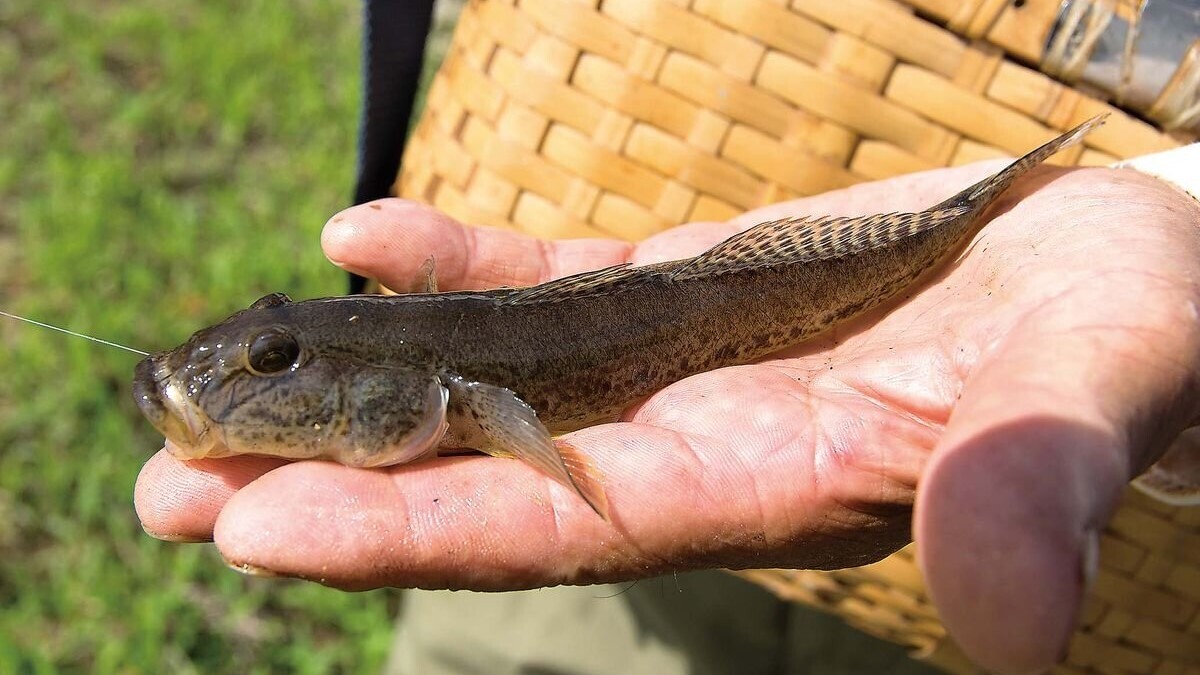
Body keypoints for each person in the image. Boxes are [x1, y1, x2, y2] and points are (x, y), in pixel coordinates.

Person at [134, 150, 1200, 674]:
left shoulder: (454, 390)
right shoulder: (415, 370)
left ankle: (985, 209)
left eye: (274, 363)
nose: (241, 385)